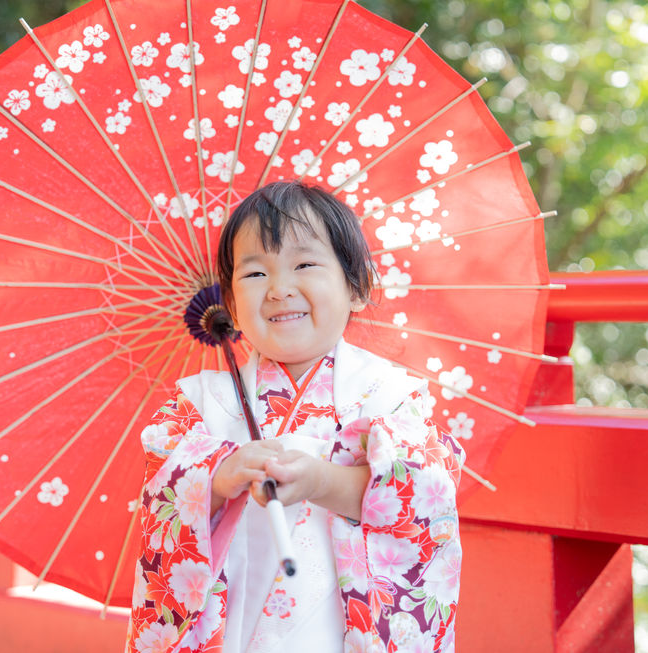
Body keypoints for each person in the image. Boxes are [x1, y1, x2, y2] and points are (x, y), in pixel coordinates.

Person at [126, 181, 465, 653]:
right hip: (236, 629)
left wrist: (321, 482)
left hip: (339, 627)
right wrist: (218, 476)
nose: (280, 289)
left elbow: (423, 499)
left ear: (358, 286)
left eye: (304, 264)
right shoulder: (204, 402)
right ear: (231, 304)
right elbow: (163, 489)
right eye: (254, 274)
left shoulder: (387, 395)